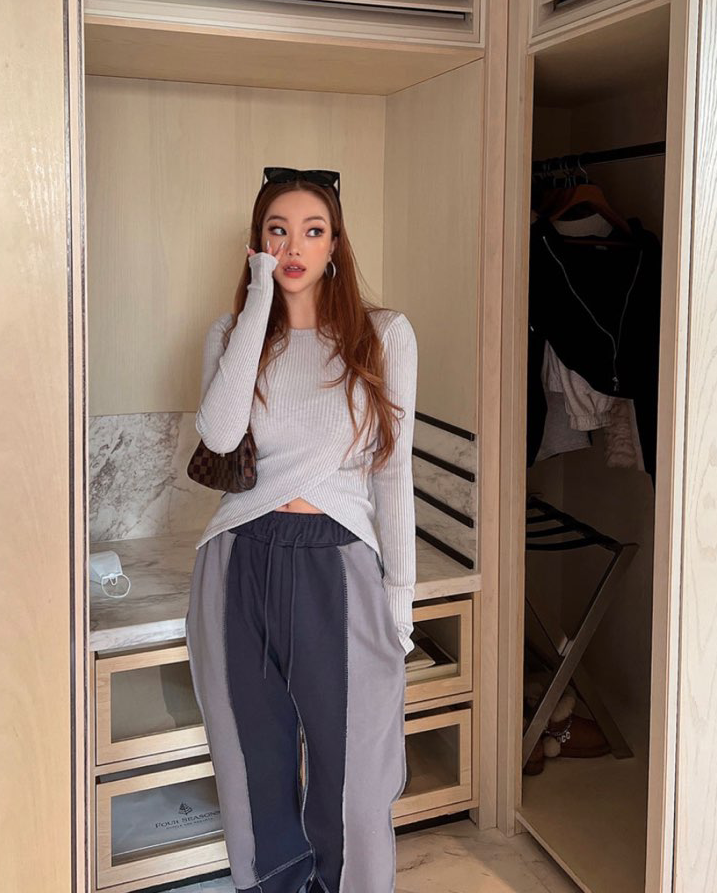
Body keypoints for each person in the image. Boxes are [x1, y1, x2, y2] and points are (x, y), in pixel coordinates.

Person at [185, 166, 418, 893]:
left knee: (356, 776)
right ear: (257, 244)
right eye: (276, 231)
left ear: (334, 244)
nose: (293, 247)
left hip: (337, 560)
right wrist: (260, 298)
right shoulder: (231, 334)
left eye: (312, 231)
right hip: (238, 558)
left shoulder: (383, 335)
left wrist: (400, 598)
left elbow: (392, 474)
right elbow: (219, 436)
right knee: (252, 762)